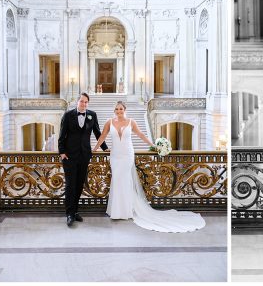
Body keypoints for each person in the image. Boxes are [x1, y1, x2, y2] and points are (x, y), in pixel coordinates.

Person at [92, 101, 205, 232]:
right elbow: (102, 137)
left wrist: (154, 146)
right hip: (115, 155)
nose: (119, 111)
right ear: (114, 110)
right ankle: (117, 211)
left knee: (125, 180)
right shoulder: (109, 122)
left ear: (125, 109)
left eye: (121, 109)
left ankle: (127, 211)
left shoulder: (131, 122)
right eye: (117, 109)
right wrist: (94, 149)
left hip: (127, 154)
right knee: (117, 180)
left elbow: (141, 135)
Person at [57, 93, 108, 227]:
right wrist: (62, 152)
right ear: (77, 102)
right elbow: (62, 135)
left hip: (84, 155)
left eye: (86, 102)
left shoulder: (92, 115)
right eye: (81, 101)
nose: (83, 104)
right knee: (70, 185)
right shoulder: (68, 115)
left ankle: (75, 211)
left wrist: (105, 148)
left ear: (88, 103)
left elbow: (98, 133)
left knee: (79, 185)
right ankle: (69, 214)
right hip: (69, 156)